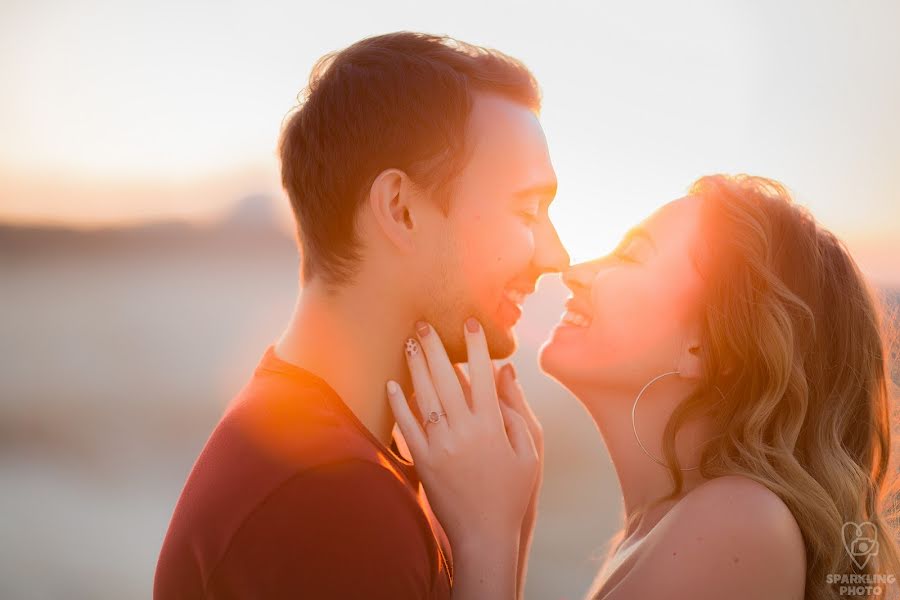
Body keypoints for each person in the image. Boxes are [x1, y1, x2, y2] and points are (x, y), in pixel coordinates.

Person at [153, 31, 568, 599]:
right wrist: (488, 545)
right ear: (401, 210)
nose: (556, 256)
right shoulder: (331, 500)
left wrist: (506, 529)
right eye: (527, 211)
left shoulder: (336, 446)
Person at [389, 174, 900, 599]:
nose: (575, 271)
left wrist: (486, 535)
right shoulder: (661, 528)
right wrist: (515, 529)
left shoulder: (739, 524)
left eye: (630, 256)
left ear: (705, 346)